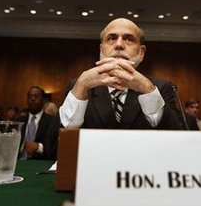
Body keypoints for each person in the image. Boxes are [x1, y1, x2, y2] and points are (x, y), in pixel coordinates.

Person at [46, 18, 181, 157]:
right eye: (111, 38)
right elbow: (52, 150)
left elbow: (178, 147)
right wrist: (80, 87)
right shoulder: (79, 85)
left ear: (141, 52)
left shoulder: (161, 87)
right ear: (101, 49)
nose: (119, 45)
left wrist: (147, 90)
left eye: (129, 39)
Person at [19, 86, 53, 159]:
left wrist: (39, 147)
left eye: (36, 96)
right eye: (30, 96)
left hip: (40, 161)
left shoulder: (51, 121)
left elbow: (53, 147)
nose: (32, 99)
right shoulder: (19, 121)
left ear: (43, 100)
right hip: (18, 160)